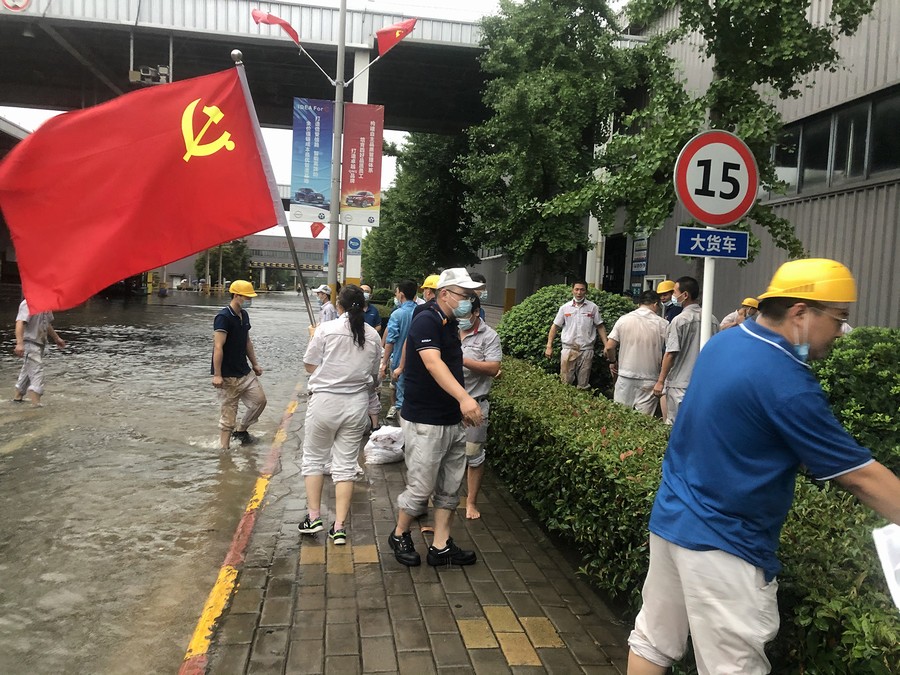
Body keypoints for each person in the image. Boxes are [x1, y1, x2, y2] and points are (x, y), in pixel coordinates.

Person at [627, 258, 900, 675]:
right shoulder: (786, 381)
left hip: (671, 522)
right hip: (726, 546)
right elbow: (860, 475)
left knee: (652, 641)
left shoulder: (724, 344)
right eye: (838, 318)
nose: (840, 332)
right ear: (800, 313)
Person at [387, 268, 485, 568]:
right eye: (465, 295)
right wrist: (465, 399)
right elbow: (432, 363)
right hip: (425, 420)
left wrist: (459, 407)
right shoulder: (427, 319)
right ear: (445, 294)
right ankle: (400, 534)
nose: (469, 301)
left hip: (451, 419)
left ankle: (441, 545)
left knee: (450, 487)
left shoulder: (449, 322)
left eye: (471, 296)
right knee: (421, 486)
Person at [298, 285, 382, 545]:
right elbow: (375, 376)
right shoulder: (373, 336)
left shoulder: (325, 329)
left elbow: (309, 366)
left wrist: (312, 336)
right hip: (356, 406)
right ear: (364, 305)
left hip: (324, 402)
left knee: (314, 460)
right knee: (345, 466)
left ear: (339, 306)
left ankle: (313, 518)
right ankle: (339, 527)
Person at [652, 276, 718, 424]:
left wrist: (660, 381)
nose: (673, 296)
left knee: (676, 426)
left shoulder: (679, 320)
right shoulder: (713, 320)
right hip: (704, 384)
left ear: (685, 295)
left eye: (675, 292)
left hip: (680, 384)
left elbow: (670, 353)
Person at [211, 280, 268, 450]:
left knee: (260, 401)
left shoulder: (244, 315)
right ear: (236, 296)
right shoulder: (223, 317)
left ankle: (241, 430)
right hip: (228, 374)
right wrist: (217, 374)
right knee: (229, 414)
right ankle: (224, 450)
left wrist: (255, 364)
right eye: (247, 297)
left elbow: (247, 341)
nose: (250, 300)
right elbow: (218, 346)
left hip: (244, 370)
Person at [459, 295, 502, 519]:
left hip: (475, 406)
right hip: (447, 404)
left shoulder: (489, 336)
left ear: (476, 312)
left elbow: (494, 368)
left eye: (464, 313)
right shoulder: (448, 329)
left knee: (473, 455)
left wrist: (462, 360)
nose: (460, 317)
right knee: (440, 453)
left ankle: (471, 502)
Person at [604, 290, 668, 416]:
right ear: (655, 304)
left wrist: (613, 361)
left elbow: (609, 347)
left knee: (620, 416)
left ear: (639, 304)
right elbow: (669, 352)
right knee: (643, 420)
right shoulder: (663, 324)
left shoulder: (623, 320)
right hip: (649, 378)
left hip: (625, 376)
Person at [544, 280, 608, 390]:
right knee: (565, 383)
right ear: (572, 290)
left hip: (586, 350)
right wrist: (549, 346)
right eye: (576, 289)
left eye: (582, 290)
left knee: (583, 385)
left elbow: (600, 326)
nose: (579, 292)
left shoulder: (593, 307)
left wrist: (606, 345)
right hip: (568, 349)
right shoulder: (565, 308)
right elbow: (555, 327)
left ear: (586, 291)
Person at [13, 299, 66, 407]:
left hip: (39, 343)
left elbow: (47, 324)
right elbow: (20, 322)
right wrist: (19, 343)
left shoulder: (46, 305)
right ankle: (36, 405)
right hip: (29, 343)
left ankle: (17, 398)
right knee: (37, 372)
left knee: (27, 371)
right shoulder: (27, 303)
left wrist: (56, 338)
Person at [381, 280, 417, 420]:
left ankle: (404, 429)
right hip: (420, 362)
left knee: (401, 399)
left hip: (399, 363)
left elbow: (390, 341)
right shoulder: (421, 311)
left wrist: (384, 362)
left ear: (401, 294)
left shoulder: (398, 314)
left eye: (396, 293)